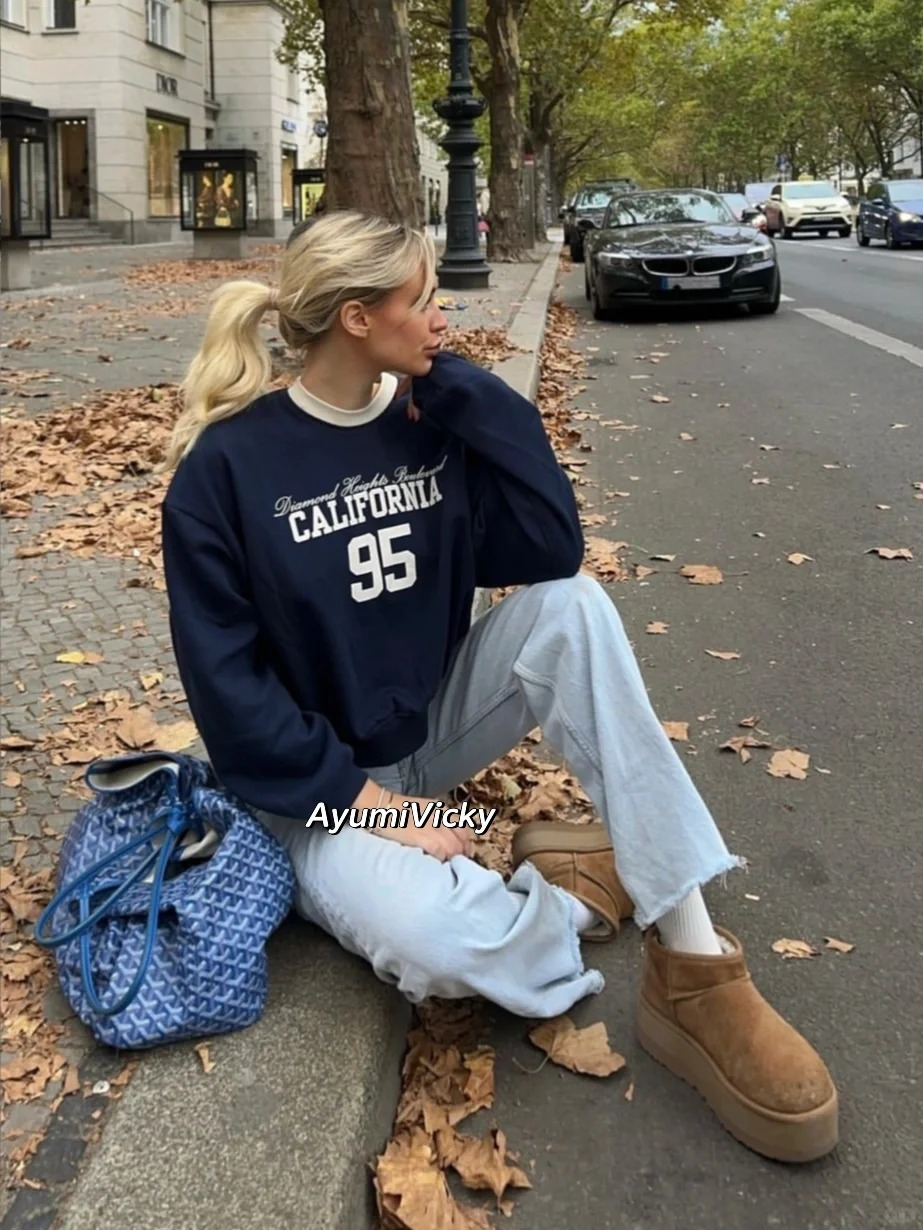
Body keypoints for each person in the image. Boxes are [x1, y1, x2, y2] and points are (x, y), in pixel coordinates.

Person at [160, 210, 838, 1165]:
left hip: (427, 726)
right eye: (422, 300)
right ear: (357, 318)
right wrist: (378, 811)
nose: (443, 317)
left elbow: (550, 549)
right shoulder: (225, 471)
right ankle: (573, 898)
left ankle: (692, 961)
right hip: (312, 793)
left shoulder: (426, 425)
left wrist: (463, 394)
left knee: (574, 607)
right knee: (438, 940)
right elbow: (231, 699)